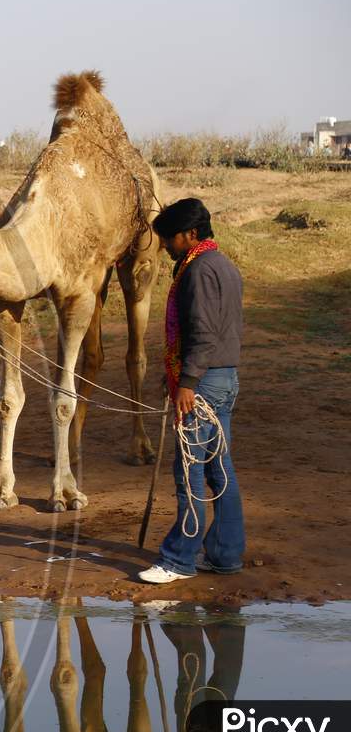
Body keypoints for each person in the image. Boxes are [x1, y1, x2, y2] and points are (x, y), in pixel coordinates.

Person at [139, 198, 245, 584]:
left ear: (191, 234)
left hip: (203, 384)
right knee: (220, 470)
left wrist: (186, 383)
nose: (166, 245)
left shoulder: (199, 270)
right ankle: (224, 556)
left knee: (189, 472)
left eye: (170, 238)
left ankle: (179, 560)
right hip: (223, 378)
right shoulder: (224, 265)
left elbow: (203, 332)